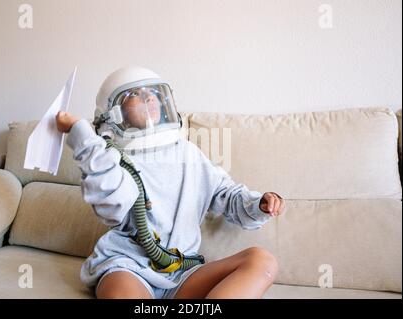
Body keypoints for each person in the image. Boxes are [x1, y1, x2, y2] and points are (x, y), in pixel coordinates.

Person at [56, 66, 286, 299]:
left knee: (262, 261)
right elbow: (111, 206)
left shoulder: (189, 154)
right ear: (113, 114)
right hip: (128, 268)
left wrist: (258, 204)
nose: (149, 98)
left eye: (153, 93)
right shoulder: (113, 160)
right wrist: (84, 138)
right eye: (136, 94)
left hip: (183, 273)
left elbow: (226, 194)